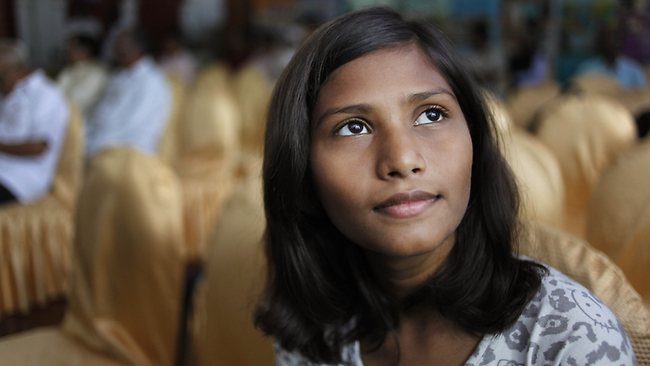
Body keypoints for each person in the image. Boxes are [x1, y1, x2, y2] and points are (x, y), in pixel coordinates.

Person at [253, 7, 635, 365]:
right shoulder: (313, 327)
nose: (402, 159)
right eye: (354, 127)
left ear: (474, 140)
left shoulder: (572, 341)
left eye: (431, 114)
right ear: (303, 169)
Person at [0, 39, 69, 204]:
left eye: (1, 77)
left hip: (20, 177)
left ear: (20, 70)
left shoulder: (45, 95)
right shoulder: (9, 90)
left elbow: (39, 146)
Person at [85, 27, 171, 159]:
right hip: (103, 137)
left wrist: (96, 141)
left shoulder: (151, 81)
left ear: (137, 49)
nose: (115, 51)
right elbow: (101, 110)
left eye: (120, 47)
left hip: (130, 148)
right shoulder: (119, 75)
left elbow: (133, 123)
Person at [57, 33, 108, 122]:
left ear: (85, 51)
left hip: (80, 122)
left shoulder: (97, 73)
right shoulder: (69, 70)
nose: (67, 52)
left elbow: (76, 102)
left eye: (71, 48)